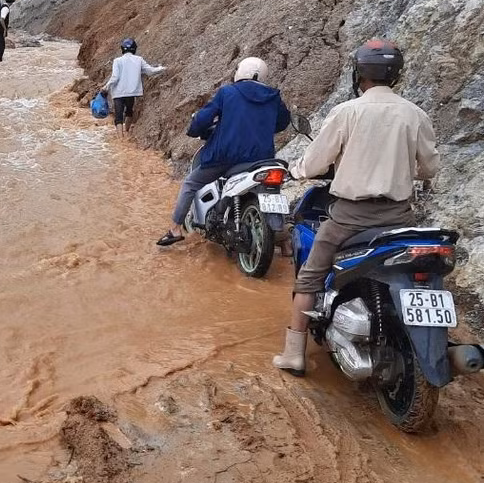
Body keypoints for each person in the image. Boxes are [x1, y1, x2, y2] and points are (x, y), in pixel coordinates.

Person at [272, 40, 439, 376]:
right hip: (399, 217)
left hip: (349, 217)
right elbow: (429, 168)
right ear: (396, 75)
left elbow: (316, 161)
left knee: (310, 278)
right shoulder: (414, 114)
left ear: (359, 74)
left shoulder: (347, 112)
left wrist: (297, 170)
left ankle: (294, 355)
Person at [157, 57, 290, 246]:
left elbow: (203, 119)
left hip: (226, 158)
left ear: (240, 72)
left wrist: (195, 129)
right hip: (262, 159)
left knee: (190, 183)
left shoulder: (227, 92)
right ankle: (285, 244)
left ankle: (175, 229)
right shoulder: (273, 96)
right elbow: (283, 122)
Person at [102, 38, 165, 139]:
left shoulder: (117, 61)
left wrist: (106, 87)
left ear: (122, 49)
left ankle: (121, 139)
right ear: (134, 49)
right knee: (129, 112)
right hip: (131, 92)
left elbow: (115, 77)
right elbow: (150, 71)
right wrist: (162, 69)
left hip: (118, 93)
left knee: (119, 116)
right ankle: (127, 132)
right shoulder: (139, 60)